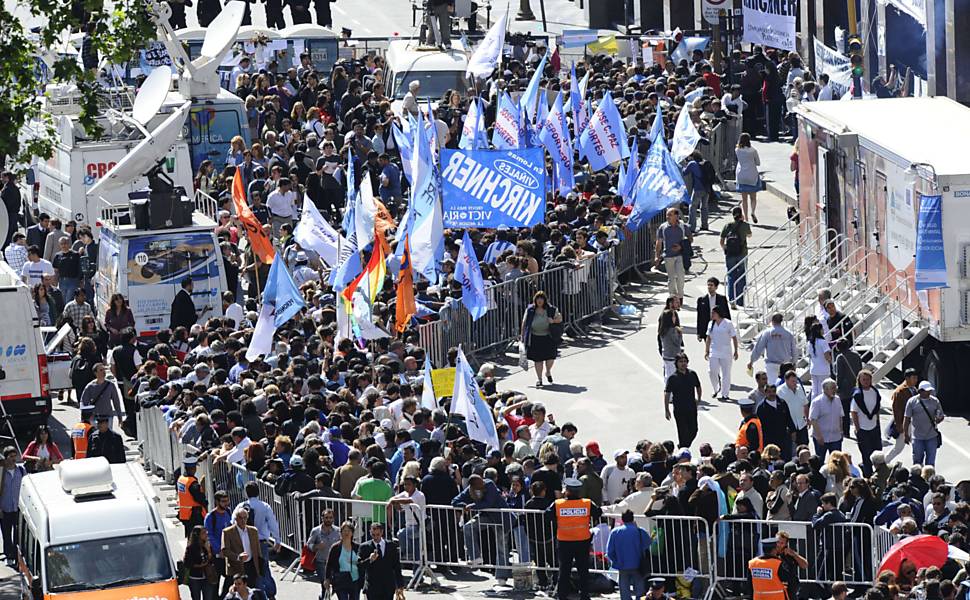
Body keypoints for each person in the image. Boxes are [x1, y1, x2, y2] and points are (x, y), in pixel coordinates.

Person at [546, 478, 602, 600]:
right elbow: (598, 513)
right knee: (583, 570)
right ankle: (584, 595)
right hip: (582, 541)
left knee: (564, 570)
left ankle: (562, 595)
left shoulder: (558, 504)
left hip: (564, 541)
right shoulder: (587, 503)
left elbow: (548, 515)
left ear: (567, 491)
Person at [236, 481, 281, 598]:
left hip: (245, 541)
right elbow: (273, 524)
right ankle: (268, 592)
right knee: (263, 567)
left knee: (249, 567)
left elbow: (233, 523)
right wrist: (277, 540)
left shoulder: (240, 507)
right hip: (261, 542)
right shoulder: (264, 506)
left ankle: (256, 591)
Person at [521, 291, 563, 388]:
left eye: (541, 299)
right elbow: (524, 322)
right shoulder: (530, 309)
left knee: (551, 358)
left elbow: (560, 318)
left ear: (545, 300)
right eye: (538, 299)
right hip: (535, 337)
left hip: (548, 337)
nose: (539, 301)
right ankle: (539, 379)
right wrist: (522, 336)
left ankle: (548, 372)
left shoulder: (551, 309)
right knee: (538, 360)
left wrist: (553, 321)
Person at [607, 509, 651, 600]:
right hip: (638, 565)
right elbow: (647, 543)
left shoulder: (615, 532)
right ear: (633, 519)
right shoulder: (639, 531)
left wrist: (616, 561)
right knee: (640, 590)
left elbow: (610, 551)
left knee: (624, 591)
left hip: (622, 565)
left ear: (622, 519)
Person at [357, 521, 404, 600]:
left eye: (377, 535)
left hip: (388, 587)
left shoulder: (391, 546)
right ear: (370, 532)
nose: (375, 537)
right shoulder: (364, 547)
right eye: (373, 535)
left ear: (382, 532)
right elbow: (359, 565)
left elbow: (396, 566)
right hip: (372, 588)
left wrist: (400, 585)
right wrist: (370, 560)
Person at [664, 353, 702, 449]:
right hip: (679, 409)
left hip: (691, 407)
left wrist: (699, 399)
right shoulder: (673, 378)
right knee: (683, 432)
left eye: (685, 361)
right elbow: (667, 393)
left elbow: (698, 386)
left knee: (694, 430)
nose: (683, 363)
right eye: (680, 361)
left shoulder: (692, 374)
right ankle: (684, 448)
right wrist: (666, 409)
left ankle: (683, 446)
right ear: (676, 363)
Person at [903, 381, 945, 466]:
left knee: (930, 462)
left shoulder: (935, 401)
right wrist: (906, 435)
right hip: (917, 437)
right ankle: (917, 478)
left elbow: (941, 416)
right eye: (927, 390)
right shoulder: (912, 402)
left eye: (930, 390)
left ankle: (929, 478)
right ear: (920, 391)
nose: (929, 392)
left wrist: (939, 419)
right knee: (917, 461)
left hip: (931, 436)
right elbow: (907, 419)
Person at [748, 313, 798, 385]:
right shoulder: (788, 333)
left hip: (771, 364)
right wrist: (794, 363)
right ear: (781, 321)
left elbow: (758, 348)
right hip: (785, 365)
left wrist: (752, 361)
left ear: (772, 320)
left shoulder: (767, 333)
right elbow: (794, 350)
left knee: (771, 386)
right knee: (783, 387)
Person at [654, 207, 691, 302]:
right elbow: (659, 242)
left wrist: (680, 246)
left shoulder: (683, 226)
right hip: (668, 255)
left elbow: (690, 239)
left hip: (680, 255)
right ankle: (673, 297)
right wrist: (657, 256)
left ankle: (680, 296)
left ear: (676, 216)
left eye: (670, 215)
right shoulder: (663, 227)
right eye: (667, 215)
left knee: (680, 276)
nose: (667, 217)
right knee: (671, 278)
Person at [851, 369, 882, 477]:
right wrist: (857, 428)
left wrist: (877, 422)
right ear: (859, 380)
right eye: (863, 379)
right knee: (866, 454)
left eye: (868, 379)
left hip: (874, 427)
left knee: (877, 452)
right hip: (863, 429)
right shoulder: (857, 395)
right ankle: (867, 474)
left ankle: (878, 474)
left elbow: (877, 408)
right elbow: (854, 412)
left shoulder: (875, 392)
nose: (866, 381)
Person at [705, 306, 738, 402]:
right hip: (714, 351)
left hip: (726, 352)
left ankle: (725, 393)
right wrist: (706, 350)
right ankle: (716, 388)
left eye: (713, 313)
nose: (712, 315)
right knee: (712, 371)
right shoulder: (711, 324)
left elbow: (734, 337)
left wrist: (736, 351)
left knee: (726, 373)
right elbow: (708, 338)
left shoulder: (728, 323)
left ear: (718, 313)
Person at [721, 206, 752, 307]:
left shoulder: (727, 226)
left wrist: (726, 249)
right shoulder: (745, 225)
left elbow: (721, 242)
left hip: (730, 254)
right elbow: (749, 235)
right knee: (741, 276)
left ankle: (731, 300)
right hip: (742, 254)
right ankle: (740, 300)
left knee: (731, 276)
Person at [205, 490, 234, 598]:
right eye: (223, 501)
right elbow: (210, 535)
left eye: (227, 501)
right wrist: (219, 549)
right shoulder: (211, 517)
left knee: (230, 577)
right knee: (214, 582)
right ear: (217, 502)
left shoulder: (229, 513)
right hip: (216, 555)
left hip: (228, 553)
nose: (226, 503)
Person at [0, 446, 25, 566]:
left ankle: (16, 556)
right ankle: (8, 556)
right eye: (11, 456)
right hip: (5, 509)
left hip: (18, 508)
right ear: (5, 458)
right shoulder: (1, 472)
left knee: (18, 535)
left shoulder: (21, 470)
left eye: (15, 456)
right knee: (6, 534)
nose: (14, 459)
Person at [306, 508, 341, 596]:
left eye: (330, 517)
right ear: (322, 518)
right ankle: (324, 596)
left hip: (334, 563)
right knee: (325, 585)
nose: (328, 520)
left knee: (337, 586)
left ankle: (324, 597)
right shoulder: (316, 531)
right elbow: (309, 544)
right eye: (326, 517)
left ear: (333, 519)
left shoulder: (338, 531)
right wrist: (317, 546)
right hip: (321, 562)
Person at [887, 368, 919, 462]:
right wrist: (899, 425)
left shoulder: (913, 389)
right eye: (914, 378)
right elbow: (896, 410)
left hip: (914, 423)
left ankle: (917, 465)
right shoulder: (900, 391)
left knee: (917, 446)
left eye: (916, 378)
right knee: (898, 448)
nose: (916, 380)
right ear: (907, 378)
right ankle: (884, 463)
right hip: (904, 423)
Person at [222, 507, 262, 582]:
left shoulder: (253, 531)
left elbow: (258, 550)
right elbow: (225, 550)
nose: (243, 520)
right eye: (240, 518)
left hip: (251, 566)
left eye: (245, 518)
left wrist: (260, 566)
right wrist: (238, 557)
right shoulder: (227, 532)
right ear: (236, 518)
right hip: (236, 567)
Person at [325, 521, 362, 600]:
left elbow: (362, 562)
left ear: (352, 533)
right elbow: (329, 564)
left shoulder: (357, 547)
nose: (346, 533)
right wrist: (327, 578)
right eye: (344, 531)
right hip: (340, 580)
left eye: (349, 531)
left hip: (355, 579)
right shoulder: (335, 548)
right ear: (341, 533)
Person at [809, 379, 844, 459]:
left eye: (835, 388)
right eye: (832, 388)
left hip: (835, 437)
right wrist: (819, 436)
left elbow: (840, 416)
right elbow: (813, 420)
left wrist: (841, 431)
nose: (834, 390)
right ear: (825, 389)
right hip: (821, 438)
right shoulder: (817, 402)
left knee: (837, 462)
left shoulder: (838, 400)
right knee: (820, 462)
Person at [184, 525, 218, 600]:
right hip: (195, 577)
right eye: (203, 533)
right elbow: (187, 563)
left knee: (208, 597)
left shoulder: (207, 545)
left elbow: (212, 560)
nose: (206, 534)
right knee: (196, 597)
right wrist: (200, 565)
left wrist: (208, 550)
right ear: (197, 535)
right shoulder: (191, 548)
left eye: (206, 532)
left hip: (207, 576)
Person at [179, 456, 209, 537]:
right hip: (194, 514)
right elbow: (199, 498)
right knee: (197, 537)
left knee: (190, 536)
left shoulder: (181, 479)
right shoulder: (192, 483)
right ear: (193, 469)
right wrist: (206, 503)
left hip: (185, 514)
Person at [735, 133, 762, 222]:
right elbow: (758, 163)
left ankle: (746, 218)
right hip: (752, 174)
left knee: (744, 199)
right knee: (753, 197)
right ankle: (753, 212)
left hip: (741, 174)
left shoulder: (737, 150)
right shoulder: (753, 151)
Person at [696, 277, 731, 342]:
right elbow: (699, 317)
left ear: (716, 287)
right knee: (708, 349)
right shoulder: (701, 300)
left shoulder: (722, 299)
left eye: (711, 285)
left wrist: (729, 329)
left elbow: (727, 314)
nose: (709, 287)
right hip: (707, 328)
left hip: (719, 327)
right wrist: (699, 333)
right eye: (708, 285)